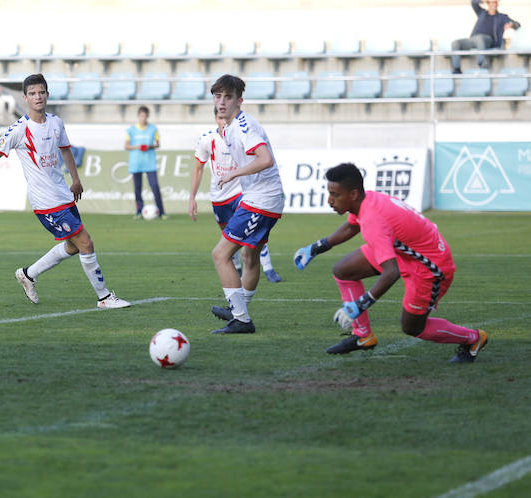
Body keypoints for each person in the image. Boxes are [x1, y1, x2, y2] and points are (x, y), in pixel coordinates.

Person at [293, 162, 488, 363]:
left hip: (429, 266)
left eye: (335, 195)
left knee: (412, 327)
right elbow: (352, 226)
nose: (330, 200)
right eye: (329, 193)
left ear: (352, 194)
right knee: (343, 270)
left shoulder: (373, 221)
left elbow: (390, 272)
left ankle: (473, 338)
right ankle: (363, 336)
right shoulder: (366, 200)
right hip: (405, 252)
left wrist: (360, 305)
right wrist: (317, 247)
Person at [0, 73, 131, 310]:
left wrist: (75, 179)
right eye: (32, 93)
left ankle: (28, 274)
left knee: (73, 246)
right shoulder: (19, 129)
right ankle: (104, 298)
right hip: (46, 202)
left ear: (47, 95)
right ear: (25, 98)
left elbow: (65, 150)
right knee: (86, 242)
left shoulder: (55, 122)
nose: (37, 97)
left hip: (63, 194)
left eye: (41, 92)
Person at [207, 75, 285, 335]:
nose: (221, 102)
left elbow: (265, 159)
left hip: (261, 200)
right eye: (218, 96)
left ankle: (241, 318)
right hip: (261, 197)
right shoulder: (228, 126)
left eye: (228, 97)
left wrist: (234, 173)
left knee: (220, 254)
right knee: (249, 256)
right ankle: (238, 310)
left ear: (239, 100)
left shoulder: (242, 126)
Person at [190, 108, 282, 284]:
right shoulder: (207, 140)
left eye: (225, 118)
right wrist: (192, 197)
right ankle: (237, 268)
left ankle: (268, 268)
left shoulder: (238, 135)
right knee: (229, 236)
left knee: (252, 233)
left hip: (242, 193)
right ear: (215, 119)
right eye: (219, 118)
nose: (223, 122)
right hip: (219, 196)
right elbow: (198, 168)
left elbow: (261, 158)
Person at [451, 0, 521, 74]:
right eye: (493, 2)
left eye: (496, 2)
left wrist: (512, 24)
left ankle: (481, 63)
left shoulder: (502, 17)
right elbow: (473, 2)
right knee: (455, 43)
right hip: (473, 39)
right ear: (488, 3)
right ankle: (456, 68)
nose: (495, 4)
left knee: (480, 38)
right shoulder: (482, 13)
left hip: (489, 40)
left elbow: (518, 25)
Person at [124, 106, 166, 220]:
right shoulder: (131, 130)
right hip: (136, 162)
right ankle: (139, 211)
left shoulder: (153, 129)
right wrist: (137, 146)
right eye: (141, 116)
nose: (143, 118)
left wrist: (149, 146)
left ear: (147, 116)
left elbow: (158, 144)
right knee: (137, 188)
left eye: (145, 116)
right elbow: (126, 146)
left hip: (149, 162)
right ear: (138, 116)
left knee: (155, 186)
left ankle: (162, 212)